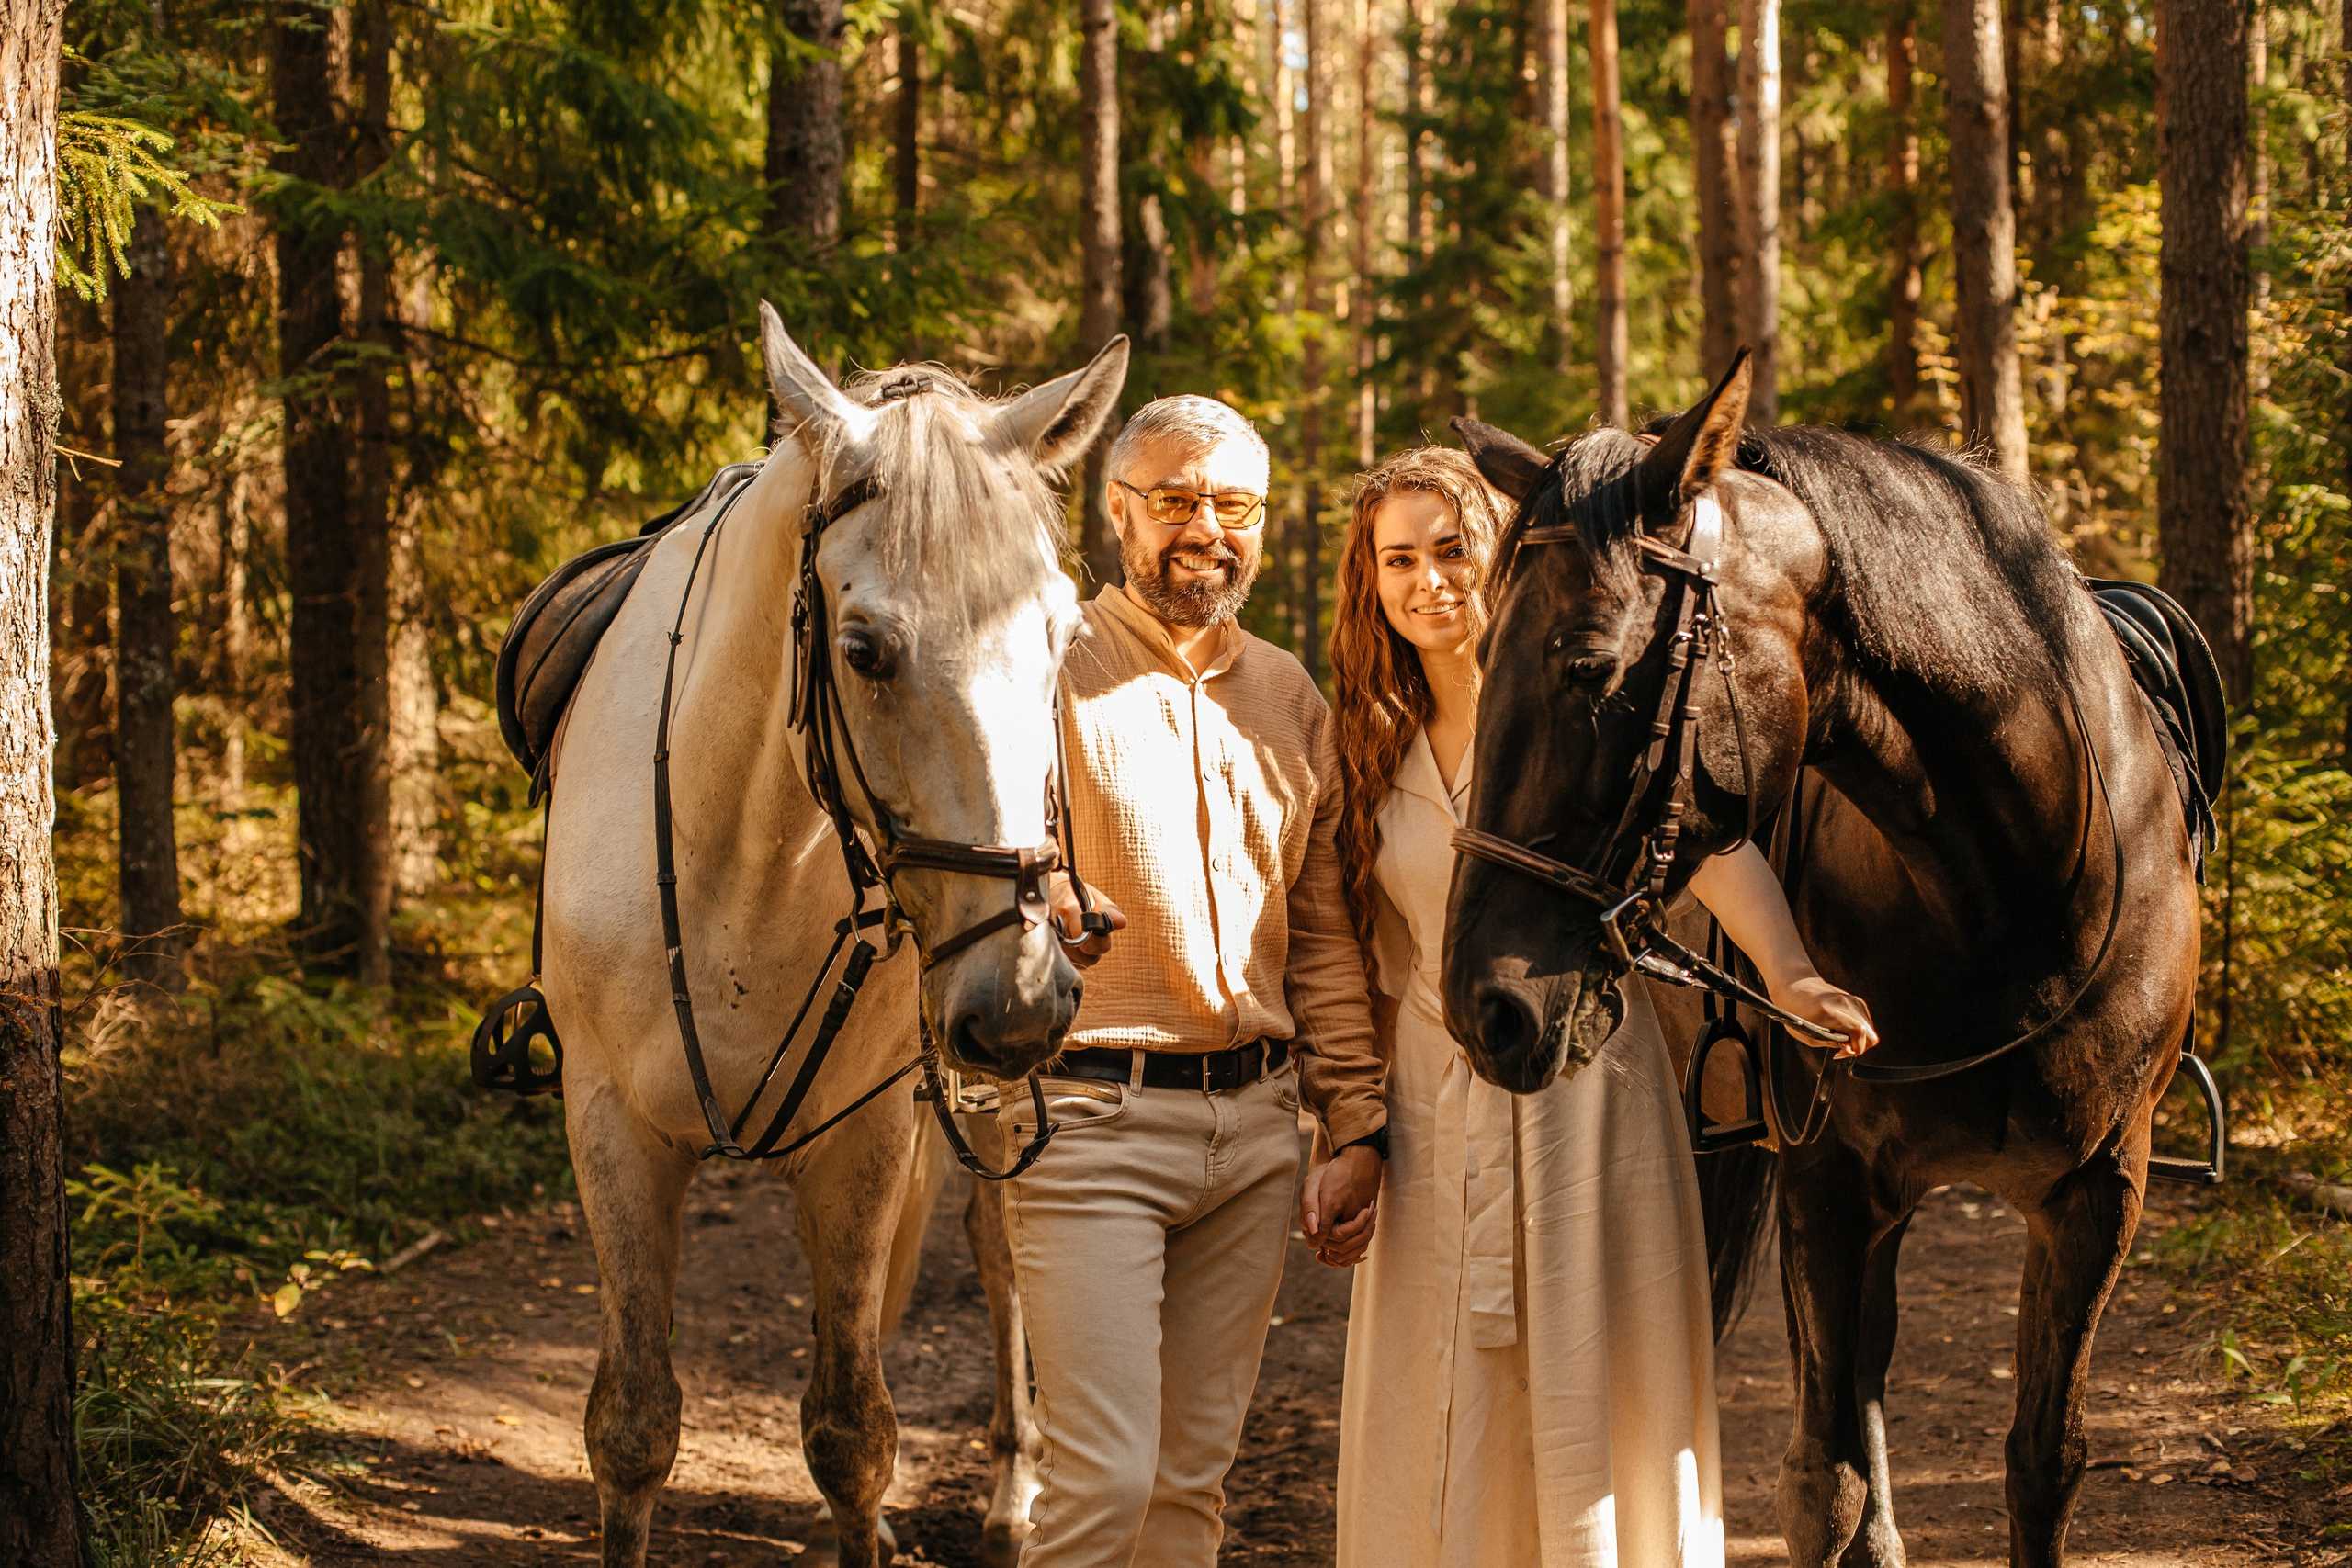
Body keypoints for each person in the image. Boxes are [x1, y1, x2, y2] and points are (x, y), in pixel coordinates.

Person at [1309, 446, 1880, 1568]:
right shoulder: (1363, 744)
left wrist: (1788, 973)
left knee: (1601, 1398)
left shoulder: (1587, 715)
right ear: (1367, 583)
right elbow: (1359, 960)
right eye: (1397, 560)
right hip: (1434, 1118)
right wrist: (1350, 1130)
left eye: (1452, 551)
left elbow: (1710, 851)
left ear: (1505, 562)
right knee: (1442, 1409)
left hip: (1589, 1102)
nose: (1429, 581)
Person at [1011, 395, 1389, 1568]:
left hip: (1258, 1133)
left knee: (1187, 1492)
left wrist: (1357, 1120)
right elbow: (976, 877)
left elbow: (1321, 937)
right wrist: (1043, 905)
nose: (1203, 530)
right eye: (1173, 501)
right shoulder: (1042, 672)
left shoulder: (1289, 697)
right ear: (1116, 511)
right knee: (1104, 1483)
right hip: (1087, 1124)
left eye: (1232, 505)